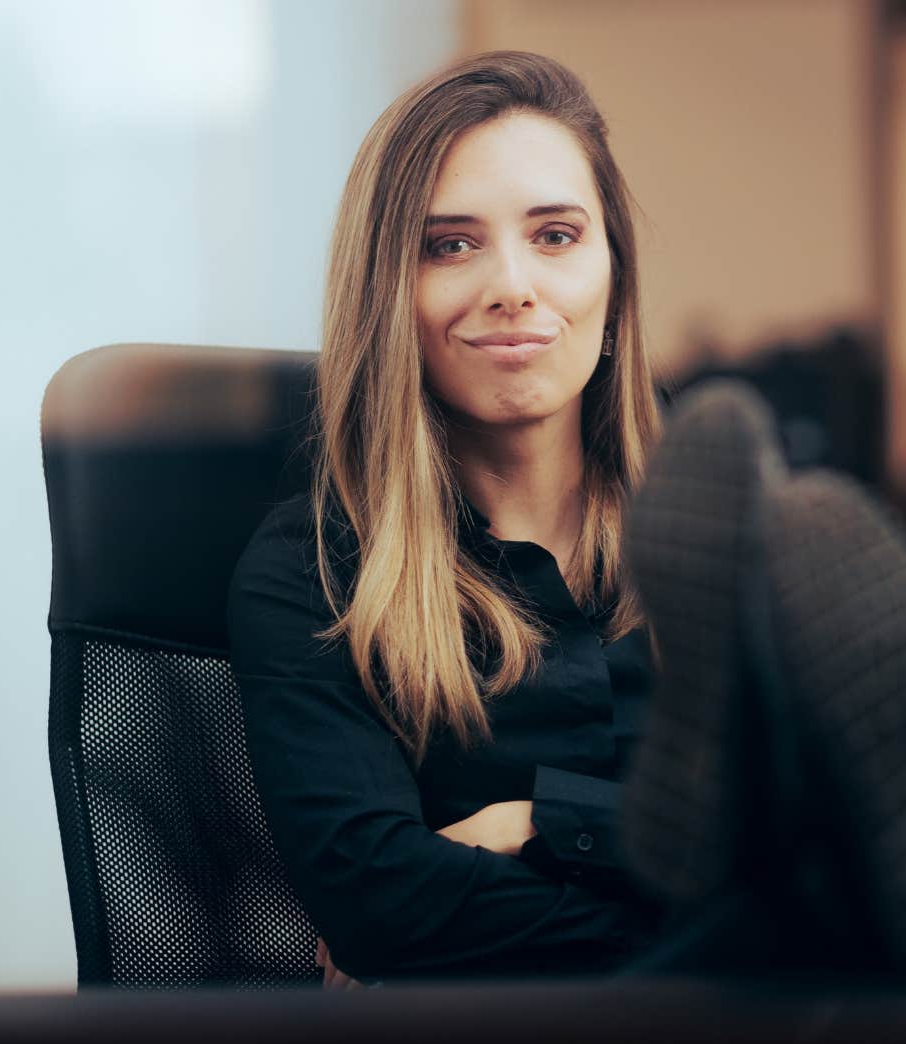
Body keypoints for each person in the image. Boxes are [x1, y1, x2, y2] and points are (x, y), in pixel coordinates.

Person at [227, 51, 665, 986]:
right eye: (449, 245)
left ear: (613, 273)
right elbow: (381, 905)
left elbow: (825, 834)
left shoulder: (713, 541)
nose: (513, 285)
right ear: (388, 291)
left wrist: (538, 822)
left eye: (555, 235)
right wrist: (704, 903)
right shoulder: (314, 571)